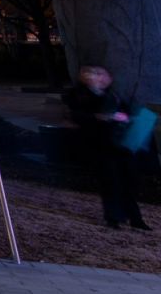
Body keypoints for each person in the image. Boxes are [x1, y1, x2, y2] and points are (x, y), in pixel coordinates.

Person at [63, 65, 148, 229]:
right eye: (91, 73)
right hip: (101, 145)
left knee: (127, 181)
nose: (96, 77)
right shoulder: (80, 95)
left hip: (121, 144)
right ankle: (113, 217)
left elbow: (131, 111)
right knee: (110, 181)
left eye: (99, 74)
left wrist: (125, 118)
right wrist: (99, 117)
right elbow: (76, 115)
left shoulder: (115, 94)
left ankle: (135, 218)